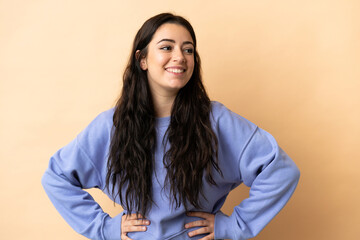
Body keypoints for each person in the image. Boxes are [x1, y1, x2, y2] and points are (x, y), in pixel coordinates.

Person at [41, 13, 300, 240]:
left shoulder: (217, 120)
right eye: (167, 47)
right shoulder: (110, 126)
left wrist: (235, 226)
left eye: (188, 50)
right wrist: (104, 228)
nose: (180, 57)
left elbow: (281, 171)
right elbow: (57, 177)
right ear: (142, 59)